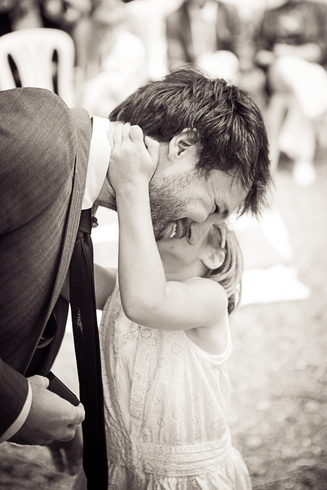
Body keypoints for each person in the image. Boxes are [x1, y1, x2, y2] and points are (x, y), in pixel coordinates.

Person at [0, 67, 271, 475]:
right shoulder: (39, 135)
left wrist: (42, 397)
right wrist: (16, 406)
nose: (204, 224)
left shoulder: (75, 190)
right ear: (183, 147)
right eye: (215, 206)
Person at [71, 122, 252, 489]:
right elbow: (65, 277)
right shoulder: (123, 288)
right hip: (119, 469)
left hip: (185, 478)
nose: (184, 221)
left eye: (197, 223)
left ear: (217, 253)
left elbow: (148, 303)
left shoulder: (209, 298)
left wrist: (131, 188)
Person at [253, 0, 327, 185]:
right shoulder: (269, 14)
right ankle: (316, 115)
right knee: (286, 65)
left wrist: (287, 52)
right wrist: (281, 57)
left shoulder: (318, 10)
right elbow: (260, 54)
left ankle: (288, 158)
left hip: (305, 78)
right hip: (279, 73)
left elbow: (321, 50)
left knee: (291, 95)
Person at [165, 0, 242, 82]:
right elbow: (175, 59)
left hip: (228, 70)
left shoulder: (228, 11)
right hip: (194, 74)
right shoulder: (174, 18)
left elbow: (241, 47)